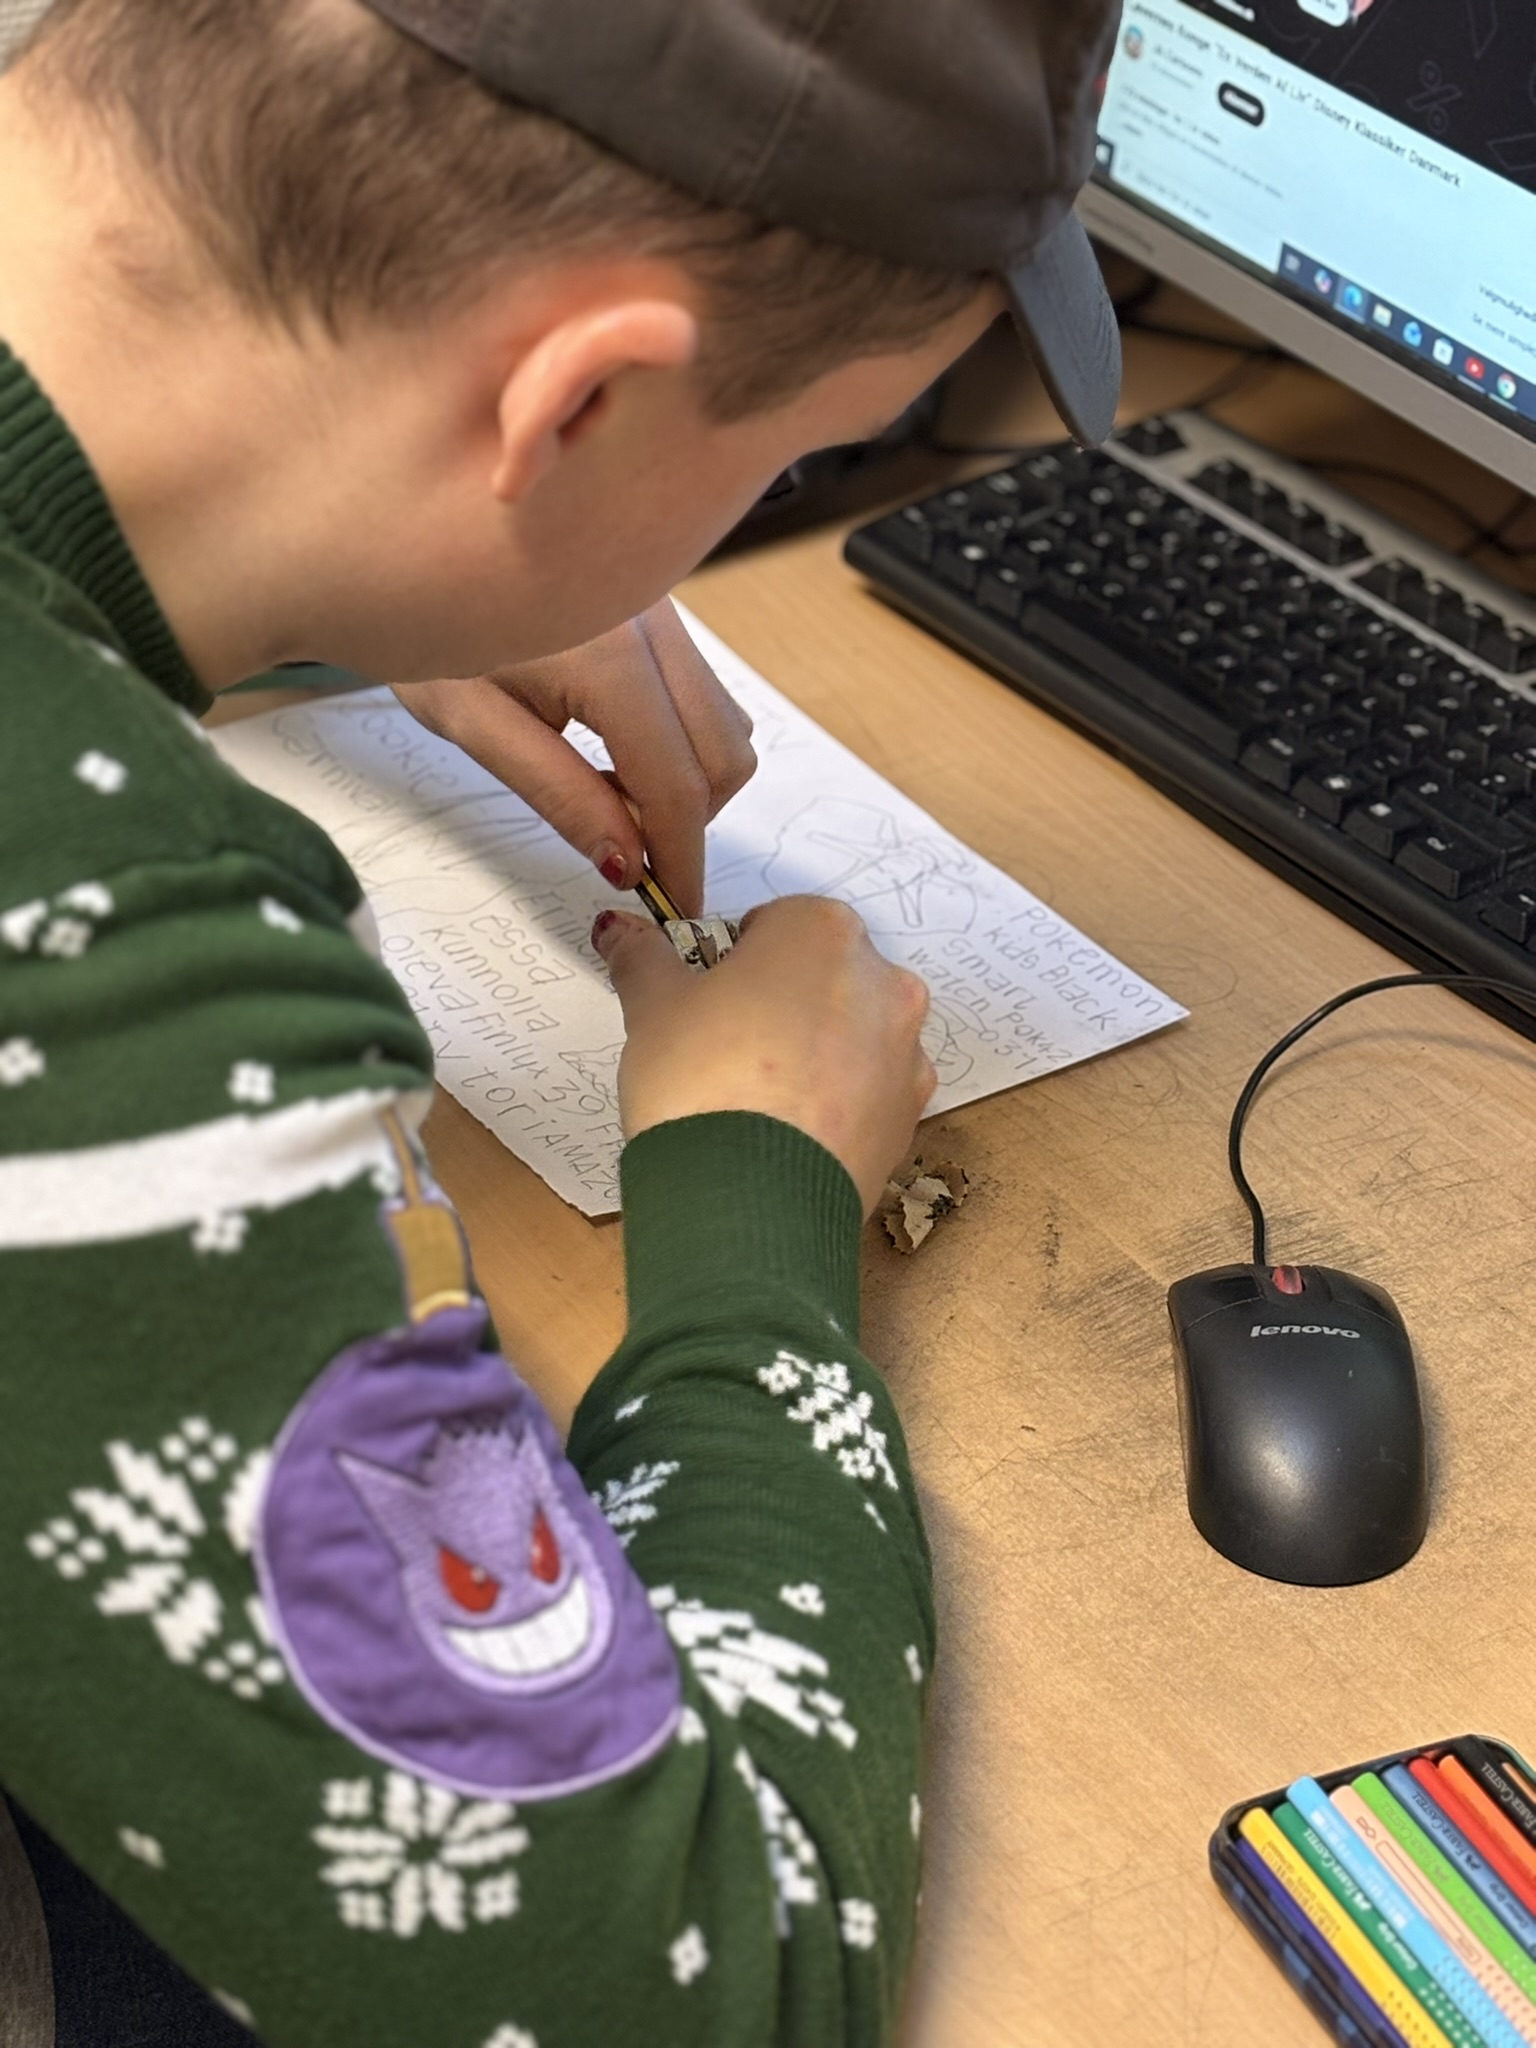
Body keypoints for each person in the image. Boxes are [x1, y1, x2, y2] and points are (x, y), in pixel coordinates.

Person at [0, 1, 1122, 2042]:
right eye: (784, 461)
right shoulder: (101, 954)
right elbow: (676, 1993)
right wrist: (752, 1210)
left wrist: (346, 562)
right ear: (576, 398)